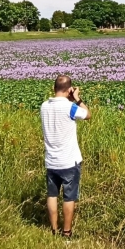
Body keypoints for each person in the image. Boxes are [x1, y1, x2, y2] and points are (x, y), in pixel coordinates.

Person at [40, 75, 91, 238]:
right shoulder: (70, 107)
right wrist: (77, 98)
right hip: (69, 161)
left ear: (54, 88)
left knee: (52, 195)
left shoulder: (44, 106)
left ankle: (54, 230)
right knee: (69, 197)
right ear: (69, 89)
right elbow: (88, 115)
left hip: (51, 161)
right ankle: (67, 233)